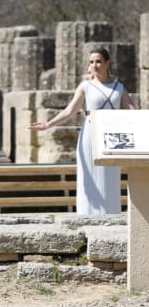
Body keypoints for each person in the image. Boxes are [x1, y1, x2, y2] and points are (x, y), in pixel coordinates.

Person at [29, 47, 135, 215]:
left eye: (99, 61)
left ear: (107, 63)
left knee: (110, 179)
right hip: (89, 136)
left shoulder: (118, 87)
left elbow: (132, 112)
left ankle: (110, 217)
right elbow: (69, 111)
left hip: (111, 139)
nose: (95, 65)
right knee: (89, 178)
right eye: (92, 62)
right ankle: (87, 216)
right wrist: (48, 124)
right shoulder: (85, 86)